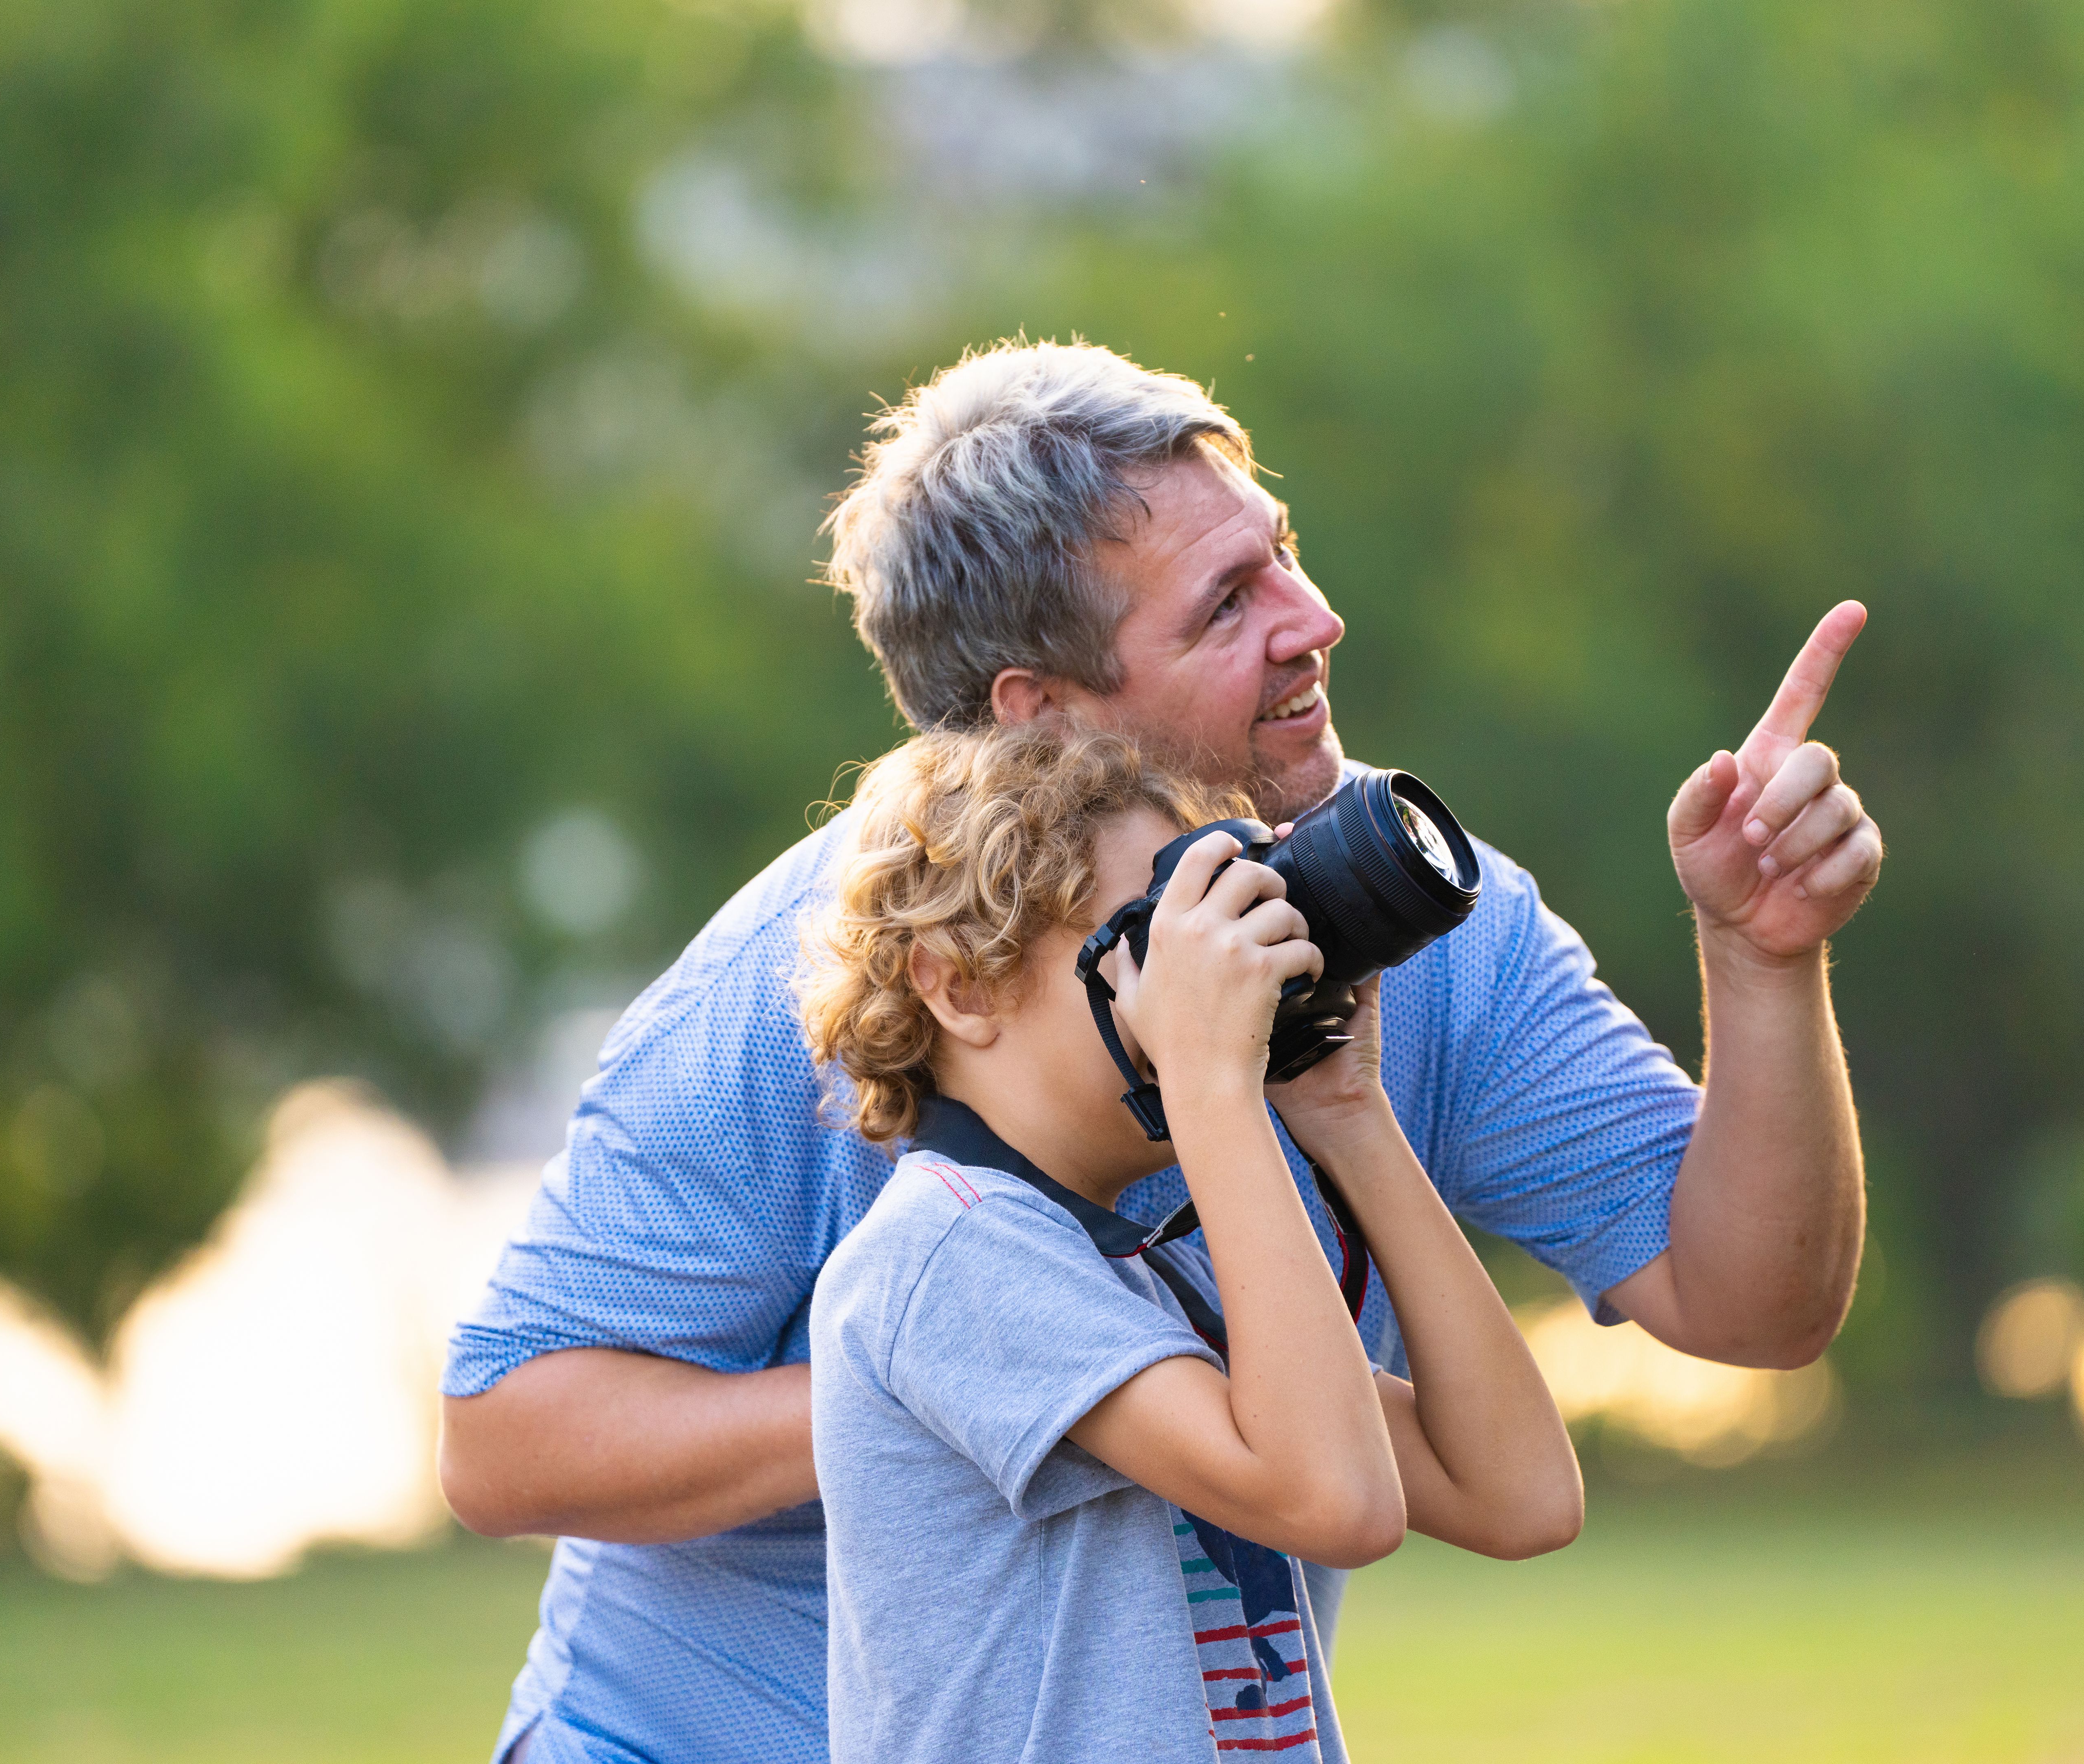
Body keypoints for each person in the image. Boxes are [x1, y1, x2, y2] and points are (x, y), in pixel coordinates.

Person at [440, 340, 1883, 1764]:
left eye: (1284, 552)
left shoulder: (1411, 921)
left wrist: (1762, 959)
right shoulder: (830, 983)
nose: (1315, 620)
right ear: (1037, 714)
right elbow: (505, 1442)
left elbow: (1741, 1314)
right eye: (1226, 604)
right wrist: (983, 1389)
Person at [802, 726, 1581, 1762]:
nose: (1214, 988)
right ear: (961, 987)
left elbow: (1519, 1495)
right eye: (1158, 943)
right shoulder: (945, 1252)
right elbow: (1339, 1505)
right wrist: (1215, 1080)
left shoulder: (1139, 1269)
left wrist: (1348, 1114)